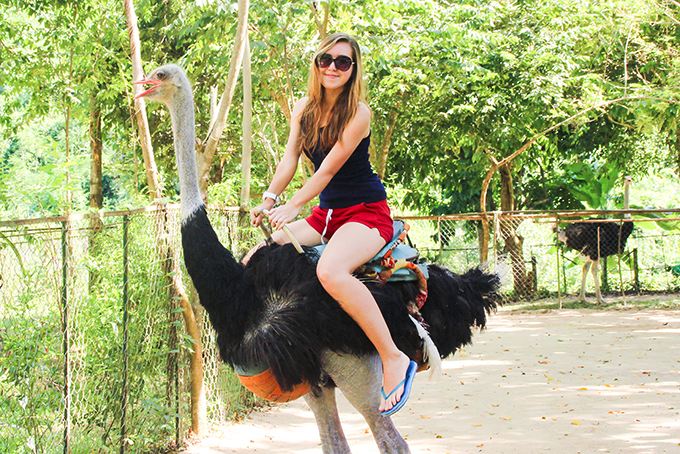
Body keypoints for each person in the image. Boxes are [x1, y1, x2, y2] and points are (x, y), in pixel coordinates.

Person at [248, 32, 415, 416]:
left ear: (353, 69)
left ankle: (393, 358)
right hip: (327, 216)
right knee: (257, 255)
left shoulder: (359, 113)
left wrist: (292, 205)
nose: (333, 68)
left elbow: (326, 170)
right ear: (316, 63)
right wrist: (270, 199)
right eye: (326, 59)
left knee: (332, 271)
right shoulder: (304, 107)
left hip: (364, 212)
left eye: (343, 61)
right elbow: (290, 158)